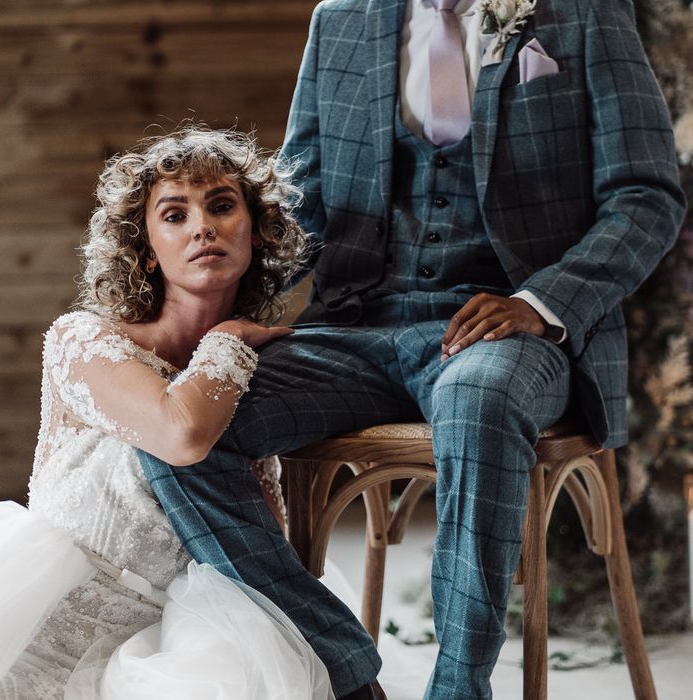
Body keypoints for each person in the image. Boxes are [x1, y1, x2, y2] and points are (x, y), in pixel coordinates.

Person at [138, 1, 687, 699]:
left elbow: (646, 196)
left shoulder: (583, 12)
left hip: (511, 330)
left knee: (477, 394)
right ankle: (346, 665)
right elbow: (297, 201)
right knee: (176, 431)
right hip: (354, 324)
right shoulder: (339, 20)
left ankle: (459, 688)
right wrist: (204, 322)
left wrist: (538, 303)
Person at [0, 126, 337, 700]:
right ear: (145, 252)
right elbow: (180, 431)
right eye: (174, 215)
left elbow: (260, 550)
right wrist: (229, 336)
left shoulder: (242, 383)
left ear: (257, 236)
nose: (203, 227)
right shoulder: (83, 340)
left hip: (161, 656)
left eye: (222, 206)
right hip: (36, 630)